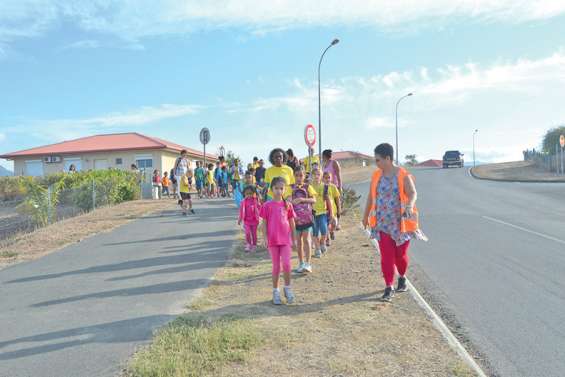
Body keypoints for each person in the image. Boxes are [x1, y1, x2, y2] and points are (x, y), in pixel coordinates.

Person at [362, 143, 427, 302]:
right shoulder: (377, 176)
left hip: (401, 225)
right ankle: (388, 286)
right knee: (386, 257)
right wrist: (365, 216)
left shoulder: (402, 175)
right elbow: (371, 197)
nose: (376, 163)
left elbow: (413, 193)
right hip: (382, 224)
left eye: (378, 160)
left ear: (388, 158)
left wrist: (410, 205)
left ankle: (402, 277)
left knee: (400, 256)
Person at [260, 177, 297, 305]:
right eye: (276, 188)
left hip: (286, 240)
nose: (279, 191)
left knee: (287, 264)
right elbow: (264, 224)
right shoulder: (266, 205)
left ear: (284, 189)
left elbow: (292, 222)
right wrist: (264, 238)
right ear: (271, 189)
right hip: (273, 240)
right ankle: (275, 291)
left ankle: (288, 288)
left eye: (281, 188)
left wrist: (294, 239)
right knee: (276, 266)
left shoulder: (288, 205)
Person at [291, 166, 317, 273]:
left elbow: (314, 200)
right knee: (298, 242)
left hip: (307, 219)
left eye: (301, 175)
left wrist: (302, 199)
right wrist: (292, 201)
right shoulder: (290, 188)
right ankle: (301, 263)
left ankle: (308, 263)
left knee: (307, 240)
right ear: (293, 176)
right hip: (295, 220)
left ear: (304, 176)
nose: (298, 178)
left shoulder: (308, 187)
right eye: (296, 175)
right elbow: (287, 201)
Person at [311, 168, 332, 258]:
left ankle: (322, 242)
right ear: (312, 176)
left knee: (324, 231)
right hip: (313, 213)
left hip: (323, 212)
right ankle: (317, 248)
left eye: (318, 174)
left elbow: (328, 200)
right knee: (315, 232)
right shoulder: (309, 186)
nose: (316, 176)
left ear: (321, 176)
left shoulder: (325, 186)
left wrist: (331, 213)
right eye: (315, 174)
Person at [238, 185, 261, 252]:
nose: (249, 195)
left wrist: (259, 202)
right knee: (247, 233)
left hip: (254, 221)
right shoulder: (243, 202)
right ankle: (248, 244)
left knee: (254, 234)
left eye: (250, 193)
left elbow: (260, 208)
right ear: (244, 194)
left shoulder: (255, 201)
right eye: (247, 194)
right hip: (246, 221)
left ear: (254, 193)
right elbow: (241, 211)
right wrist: (239, 219)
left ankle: (254, 245)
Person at [322, 171, 341, 246]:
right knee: (326, 225)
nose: (327, 179)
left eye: (329, 177)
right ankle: (327, 239)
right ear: (322, 178)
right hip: (324, 210)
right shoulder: (321, 187)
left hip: (333, 210)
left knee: (334, 223)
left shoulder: (333, 187)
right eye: (325, 178)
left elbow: (337, 199)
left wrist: (339, 208)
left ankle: (332, 231)